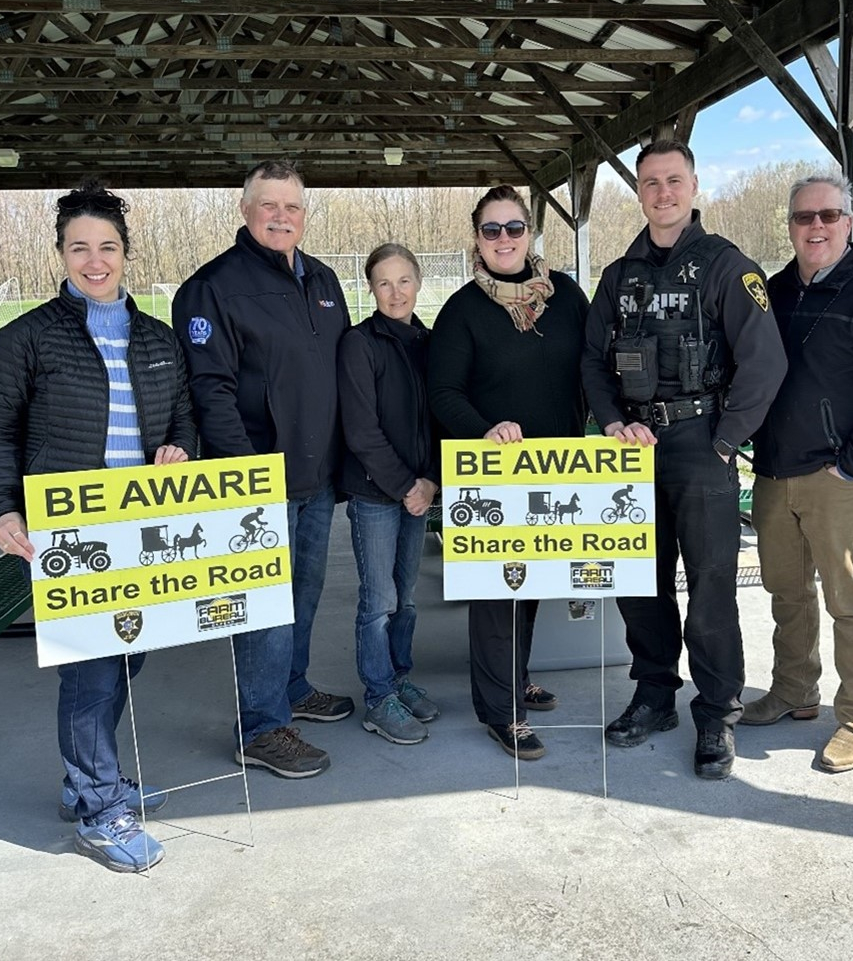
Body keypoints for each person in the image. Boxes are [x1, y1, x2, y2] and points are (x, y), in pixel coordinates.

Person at [0, 181, 196, 873]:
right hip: (67, 530)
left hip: (139, 526)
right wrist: (1, 508)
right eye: (80, 248)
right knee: (92, 667)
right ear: (61, 254)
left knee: (129, 654)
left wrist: (179, 448)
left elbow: (183, 415)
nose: (94, 261)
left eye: (107, 247)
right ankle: (100, 807)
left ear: (125, 253)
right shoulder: (25, 337)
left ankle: (87, 782)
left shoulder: (158, 338)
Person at [582, 139, 786, 780]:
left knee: (710, 589)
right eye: (650, 182)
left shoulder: (727, 266)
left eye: (673, 180)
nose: (662, 193)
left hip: (702, 444)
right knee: (640, 584)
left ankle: (717, 713)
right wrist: (612, 421)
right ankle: (653, 695)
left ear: (694, 187)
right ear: (639, 193)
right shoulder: (619, 275)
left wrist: (726, 441)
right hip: (632, 448)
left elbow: (764, 362)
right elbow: (591, 361)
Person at [172, 160, 353, 780]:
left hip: (317, 475)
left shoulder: (322, 279)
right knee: (263, 606)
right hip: (258, 480)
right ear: (245, 209)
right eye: (269, 205)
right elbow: (210, 389)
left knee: (304, 593)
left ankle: (292, 687)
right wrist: (246, 477)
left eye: (292, 206)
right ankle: (261, 726)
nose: (281, 216)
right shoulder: (213, 287)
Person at [745, 173, 853, 773]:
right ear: (790, 225)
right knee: (786, 592)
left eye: (827, 215)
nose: (815, 227)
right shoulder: (772, 292)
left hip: (838, 477)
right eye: (803, 217)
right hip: (774, 473)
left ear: (848, 222)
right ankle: (794, 689)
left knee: (851, 600)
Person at [428, 185, 589, 760]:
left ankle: (515, 680)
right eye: (491, 229)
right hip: (494, 474)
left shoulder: (566, 297)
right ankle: (501, 712)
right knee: (498, 592)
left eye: (514, 227)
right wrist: (484, 430)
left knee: (533, 582)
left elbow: (593, 368)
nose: (504, 239)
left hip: (555, 467)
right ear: (477, 238)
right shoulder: (462, 311)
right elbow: (443, 392)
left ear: (530, 233)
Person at [338, 243, 441, 745]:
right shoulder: (359, 344)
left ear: (418, 282)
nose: (395, 293)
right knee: (379, 601)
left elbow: (441, 417)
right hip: (377, 495)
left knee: (408, 598)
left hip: (419, 492)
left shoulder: (430, 342)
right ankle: (379, 698)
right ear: (371, 288)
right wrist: (407, 486)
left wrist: (432, 481)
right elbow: (361, 431)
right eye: (384, 283)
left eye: (404, 281)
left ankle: (399, 680)